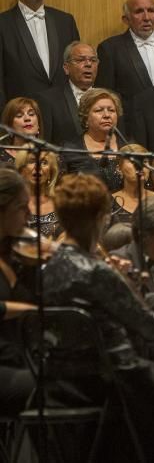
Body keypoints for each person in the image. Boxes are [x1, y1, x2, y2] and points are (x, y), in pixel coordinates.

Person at [43, 173, 154, 461]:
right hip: (113, 374)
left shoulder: (47, 267)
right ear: (101, 218)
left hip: (59, 377)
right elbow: (145, 323)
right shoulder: (97, 271)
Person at [0, 0, 81, 107]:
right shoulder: (3, 24)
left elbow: (77, 69)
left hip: (63, 113)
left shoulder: (65, 21)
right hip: (21, 116)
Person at [0, 169, 36, 417]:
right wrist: (33, 311)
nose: (30, 214)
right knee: (51, 388)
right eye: (22, 207)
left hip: (20, 356)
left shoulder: (16, 253)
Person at [95, 0, 154, 118]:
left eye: (151, 11)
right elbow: (106, 94)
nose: (147, 17)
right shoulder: (110, 48)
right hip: (131, 125)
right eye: (139, 12)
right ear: (126, 19)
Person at [61, 88, 127, 192]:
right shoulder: (71, 150)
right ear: (86, 118)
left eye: (111, 110)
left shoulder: (129, 146)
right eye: (99, 110)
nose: (106, 115)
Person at [37, 41, 99, 144]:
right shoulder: (48, 100)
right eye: (80, 60)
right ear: (66, 68)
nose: (88, 64)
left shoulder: (109, 98)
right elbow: (44, 144)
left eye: (93, 60)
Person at [15, 148, 62, 239]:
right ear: (21, 170)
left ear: (50, 173)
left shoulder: (61, 202)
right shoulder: (11, 201)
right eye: (31, 161)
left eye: (44, 162)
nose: (37, 166)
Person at [109, 144, 154, 227]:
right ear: (119, 169)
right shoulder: (109, 203)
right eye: (134, 162)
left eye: (144, 161)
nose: (140, 166)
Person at [0, 97, 43, 165]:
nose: (27, 118)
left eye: (31, 114)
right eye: (19, 115)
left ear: (38, 125)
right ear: (9, 126)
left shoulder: (50, 156)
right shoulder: (1, 159)